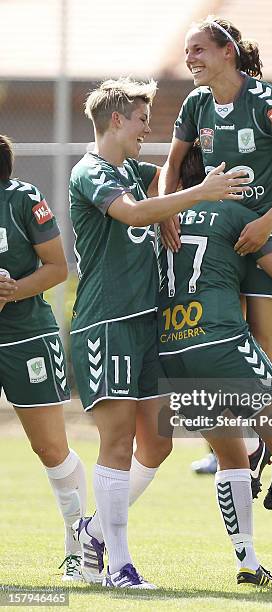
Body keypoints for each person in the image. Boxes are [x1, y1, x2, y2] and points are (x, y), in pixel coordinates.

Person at [68, 77, 250, 589]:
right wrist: (194, 195)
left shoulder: (130, 168)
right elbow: (130, 213)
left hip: (147, 324)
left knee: (158, 444)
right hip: (107, 322)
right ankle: (118, 567)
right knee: (119, 443)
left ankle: (93, 528)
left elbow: (164, 177)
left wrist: (173, 200)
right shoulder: (91, 171)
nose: (150, 128)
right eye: (143, 119)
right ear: (118, 120)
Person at [158, 145, 272, 590]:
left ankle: (246, 562)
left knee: (230, 458)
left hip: (172, 352)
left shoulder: (160, 221)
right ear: (214, 175)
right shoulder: (234, 214)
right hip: (222, 345)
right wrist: (259, 248)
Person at [159, 16, 272, 489]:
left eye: (199, 50)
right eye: (188, 52)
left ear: (227, 52)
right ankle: (238, 444)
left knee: (263, 345)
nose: (191, 60)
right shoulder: (196, 103)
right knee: (223, 339)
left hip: (268, 236)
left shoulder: (269, 102)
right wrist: (167, 209)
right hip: (223, 235)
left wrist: (265, 222)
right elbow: (171, 163)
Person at [0, 134, 87, 581]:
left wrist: (12, 289)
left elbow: (57, 267)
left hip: (25, 335)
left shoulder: (21, 199)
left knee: (49, 446)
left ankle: (80, 542)